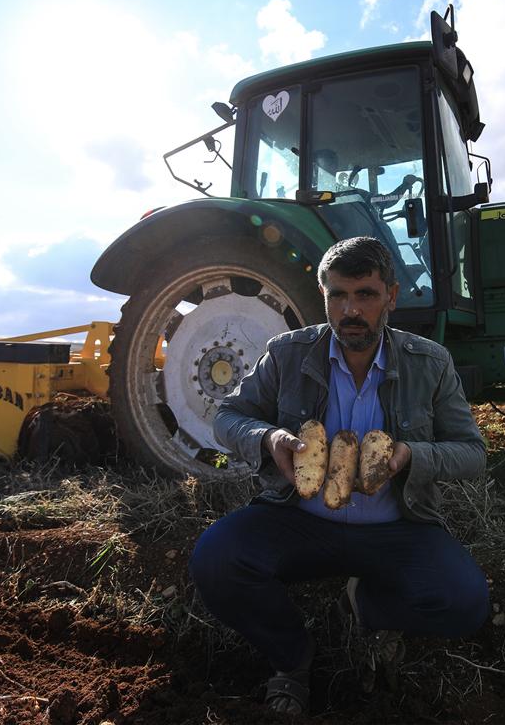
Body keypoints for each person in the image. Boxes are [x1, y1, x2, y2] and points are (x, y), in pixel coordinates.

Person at [190, 236, 489, 715]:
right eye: (337, 295)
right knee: (216, 560)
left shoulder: (429, 363)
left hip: (396, 528)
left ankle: (364, 606)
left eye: (365, 295)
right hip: (299, 519)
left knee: (465, 603)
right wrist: (267, 438)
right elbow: (229, 416)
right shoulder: (287, 353)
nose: (350, 310)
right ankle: (293, 657)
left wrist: (413, 455)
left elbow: (473, 453)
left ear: (391, 295)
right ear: (323, 295)